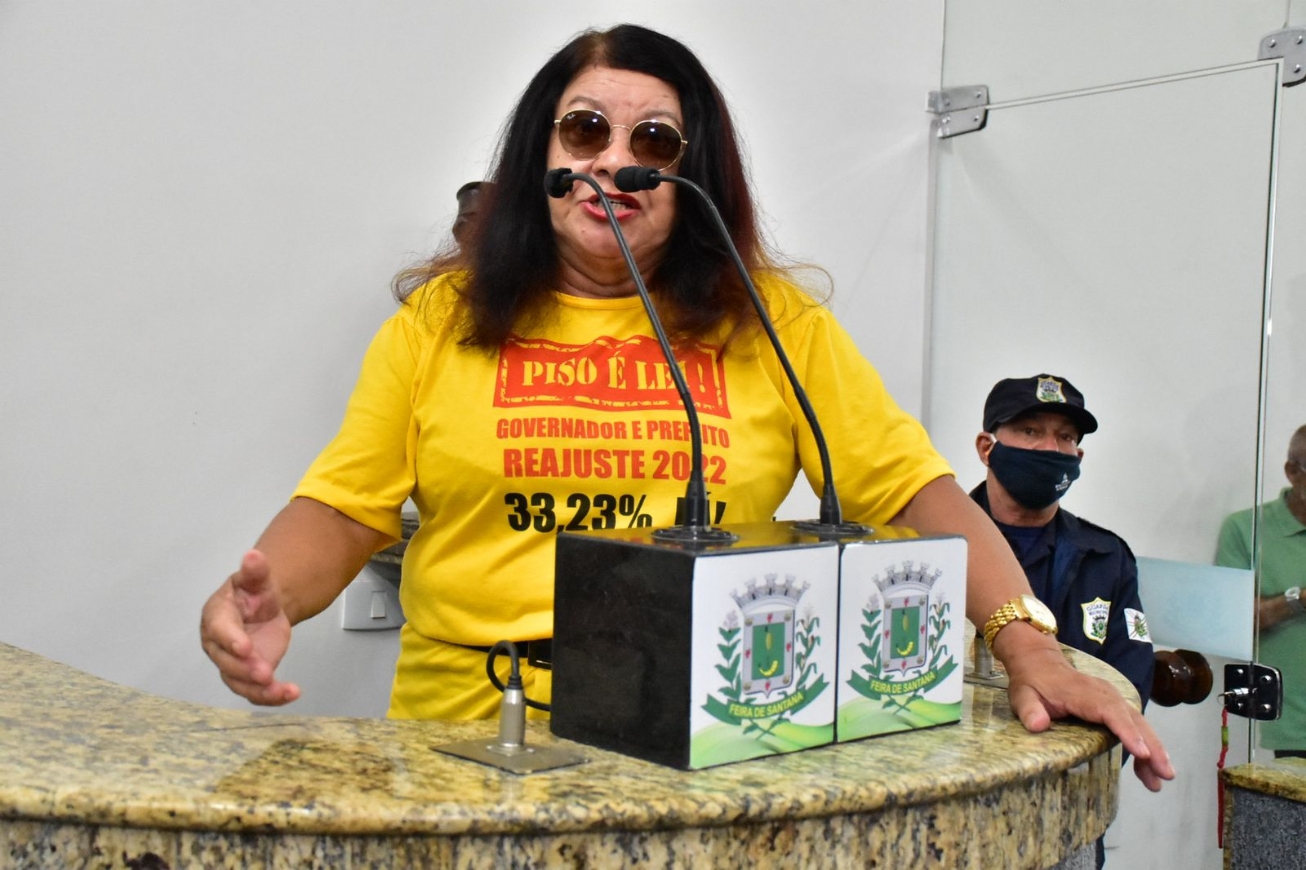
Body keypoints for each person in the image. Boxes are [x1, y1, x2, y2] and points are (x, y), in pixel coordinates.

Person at [198, 24, 1172, 791]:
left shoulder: (773, 322)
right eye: (586, 130)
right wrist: (266, 600)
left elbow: (912, 488)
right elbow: (346, 506)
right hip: (465, 741)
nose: (612, 161)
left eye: (653, 141)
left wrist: (1025, 641)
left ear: (690, 174)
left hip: (701, 741)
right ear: (542, 153)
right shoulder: (441, 320)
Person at [970, 374, 1155, 707]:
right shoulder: (941, 543)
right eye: (1030, 431)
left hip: (1072, 735)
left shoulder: (1106, 557)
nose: (1050, 449)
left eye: (1065, 436)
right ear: (987, 448)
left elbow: (1131, 680)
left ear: (1078, 457)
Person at [1216, 425, 1306, 758]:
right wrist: (1298, 600)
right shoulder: (1247, 529)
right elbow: (1231, 621)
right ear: (1292, 472)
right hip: (1296, 726)